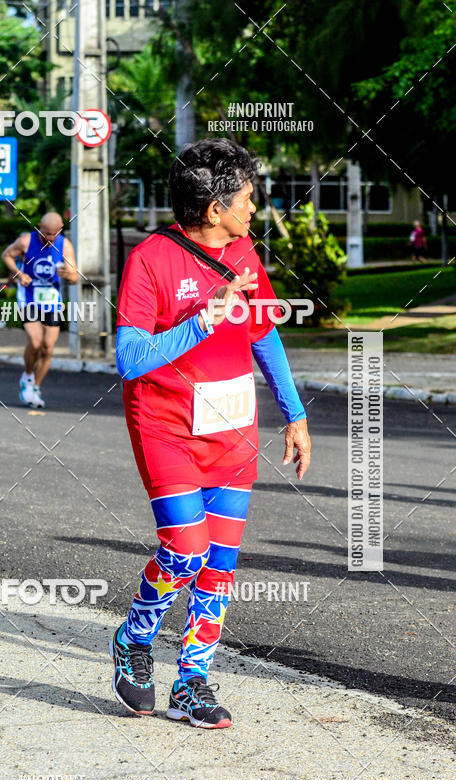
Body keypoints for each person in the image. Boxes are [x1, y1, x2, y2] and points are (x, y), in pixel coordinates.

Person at [111, 138, 311, 730]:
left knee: (219, 564)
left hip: (232, 427)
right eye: (247, 199)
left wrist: (294, 413)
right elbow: (130, 358)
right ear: (215, 206)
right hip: (166, 426)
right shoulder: (149, 259)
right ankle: (134, 638)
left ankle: (193, 681)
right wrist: (206, 318)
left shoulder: (245, 252)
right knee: (185, 548)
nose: (255, 208)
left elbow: (264, 332)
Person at [1, 212, 78, 408]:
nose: (49, 238)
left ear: (60, 230)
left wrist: (67, 274)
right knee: (35, 342)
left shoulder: (65, 245)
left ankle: (35, 387)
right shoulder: (26, 241)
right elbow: (7, 255)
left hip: (52, 301)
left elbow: (75, 277)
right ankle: (27, 376)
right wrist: (19, 274)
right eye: (46, 234)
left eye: (54, 234)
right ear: (38, 228)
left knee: (48, 347)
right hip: (29, 298)